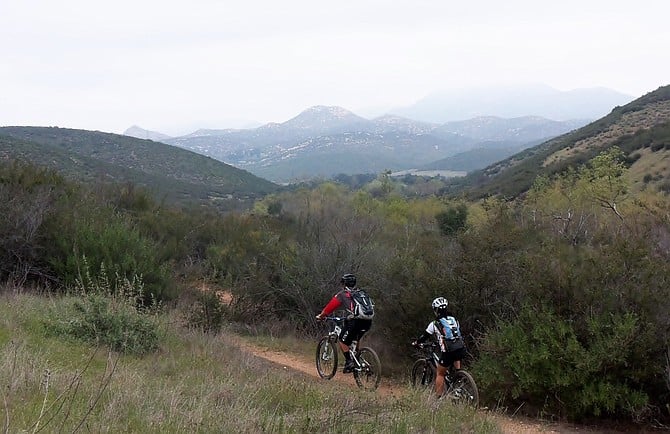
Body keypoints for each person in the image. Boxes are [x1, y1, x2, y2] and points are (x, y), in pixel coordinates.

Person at [316, 273, 373, 373]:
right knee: (355, 337)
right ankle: (357, 358)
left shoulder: (343, 294)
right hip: (367, 321)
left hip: (355, 321)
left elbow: (330, 307)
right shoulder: (361, 293)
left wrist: (321, 316)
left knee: (342, 340)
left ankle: (349, 362)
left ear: (344, 284)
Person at [413, 296, 466, 397]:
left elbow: (424, 337)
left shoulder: (434, 323)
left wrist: (416, 343)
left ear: (436, 310)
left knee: (440, 373)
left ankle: (439, 399)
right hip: (461, 348)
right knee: (456, 358)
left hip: (448, 352)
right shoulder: (454, 320)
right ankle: (458, 379)